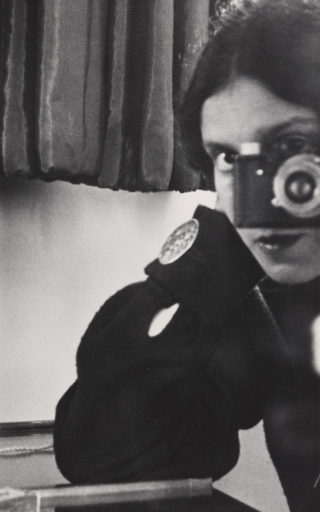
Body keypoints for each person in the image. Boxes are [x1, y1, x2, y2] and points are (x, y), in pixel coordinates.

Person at [53, 1, 320, 511]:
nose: (253, 191)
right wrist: (218, 253)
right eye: (227, 157)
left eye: (290, 142)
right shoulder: (272, 298)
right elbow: (107, 464)